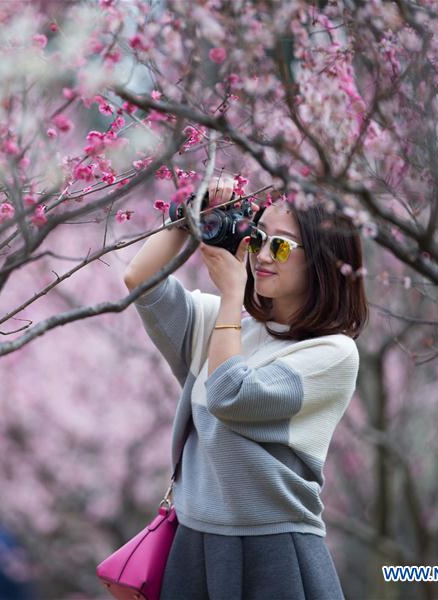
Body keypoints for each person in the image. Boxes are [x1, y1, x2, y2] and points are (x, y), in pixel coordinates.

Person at [122, 175, 368, 599]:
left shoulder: (334, 353)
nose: (263, 256)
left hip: (274, 551)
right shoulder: (224, 322)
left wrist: (233, 294)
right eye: (258, 238)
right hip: (193, 543)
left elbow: (229, 395)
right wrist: (192, 212)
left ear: (324, 259)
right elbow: (140, 280)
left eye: (283, 245)